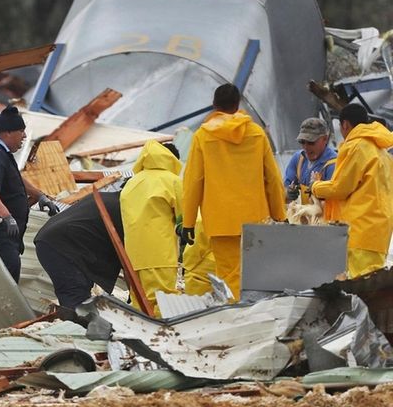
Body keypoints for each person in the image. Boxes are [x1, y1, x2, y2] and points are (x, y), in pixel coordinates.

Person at [181, 84, 285, 300]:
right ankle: (255, 313)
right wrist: (279, 215)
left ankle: (237, 315)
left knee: (229, 275)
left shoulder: (203, 136)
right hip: (256, 219)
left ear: (214, 106)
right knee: (255, 274)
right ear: (239, 104)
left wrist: (188, 222)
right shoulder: (256, 133)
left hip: (221, 222)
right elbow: (272, 178)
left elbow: (193, 181)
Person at [0, 105, 59, 281]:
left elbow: (17, 179)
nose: (24, 136)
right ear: (7, 133)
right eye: (21, 131)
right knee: (4, 278)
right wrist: (7, 216)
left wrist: (41, 196)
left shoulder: (1, 154)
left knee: (9, 273)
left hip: (3, 233)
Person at [312, 103, 393, 278]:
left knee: (355, 290)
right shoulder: (382, 151)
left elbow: (340, 188)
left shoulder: (356, 146)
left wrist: (316, 187)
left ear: (345, 125)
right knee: (373, 292)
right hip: (379, 235)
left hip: (358, 232)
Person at [120, 141, 182, 317]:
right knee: (163, 301)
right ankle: (162, 340)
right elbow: (188, 218)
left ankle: (141, 336)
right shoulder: (172, 181)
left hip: (133, 254)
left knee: (140, 301)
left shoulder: (132, 183)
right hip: (160, 253)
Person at [34, 191, 124, 311]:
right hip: (60, 244)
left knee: (81, 292)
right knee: (76, 297)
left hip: (60, 240)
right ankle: (77, 326)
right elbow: (129, 258)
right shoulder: (123, 208)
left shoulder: (109, 198)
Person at [283, 118, 337, 203]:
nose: (306, 147)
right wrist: (288, 193)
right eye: (302, 142)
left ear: (325, 139)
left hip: (327, 215)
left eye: (311, 142)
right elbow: (283, 191)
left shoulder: (333, 164)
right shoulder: (298, 159)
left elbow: (335, 199)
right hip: (306, 214)